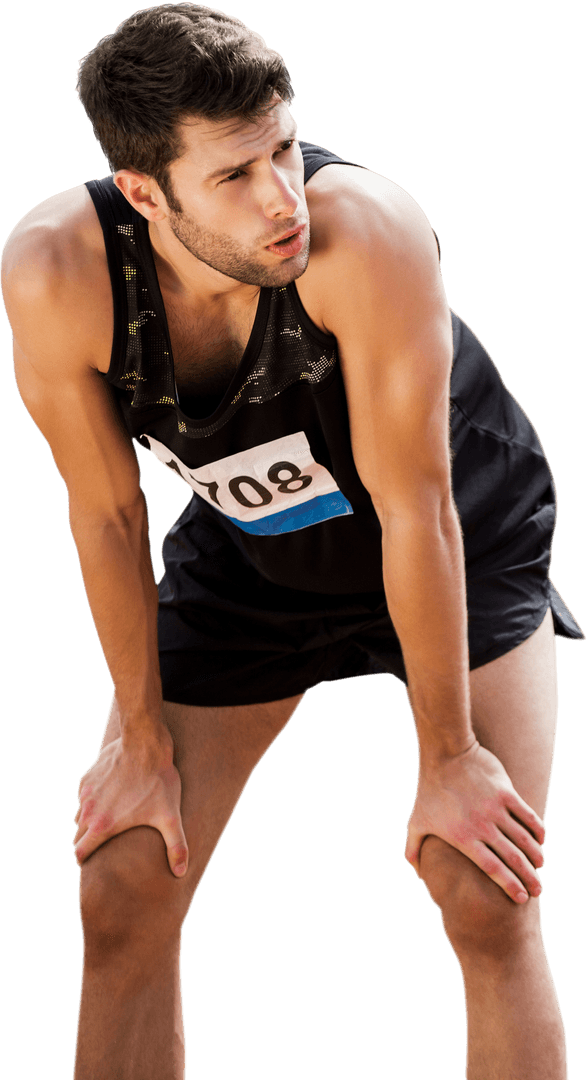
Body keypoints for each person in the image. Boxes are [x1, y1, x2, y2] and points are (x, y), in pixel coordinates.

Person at [1, 3, 583, 1077]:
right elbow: (109, 513)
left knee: (481, 885)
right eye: (232, 176)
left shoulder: (364, 232)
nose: (282, 201)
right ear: (143, 194)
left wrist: (448, 759)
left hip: (456, 533)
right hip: (255, 553)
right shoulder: (55, 274)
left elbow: (416, 506)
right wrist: (135, 736)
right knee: (125, 879)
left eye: (282, 150)